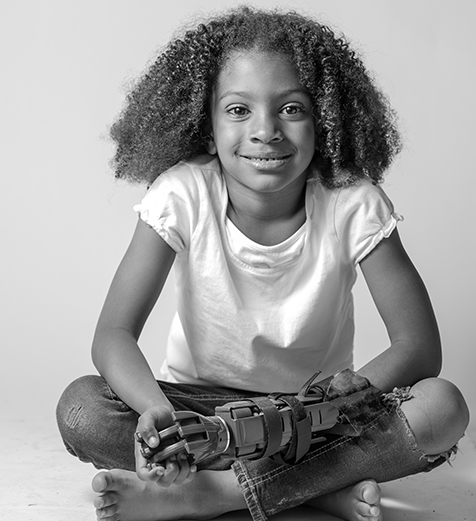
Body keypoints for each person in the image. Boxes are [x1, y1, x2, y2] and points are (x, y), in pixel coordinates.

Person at [56, 6, 470, 521]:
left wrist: (312, 410)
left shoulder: (353, 203)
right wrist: (153, 412)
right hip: (198, 410)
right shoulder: (182, 193)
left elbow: (419, 349)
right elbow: (113, 333)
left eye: (292, 108)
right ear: (206, 126)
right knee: (81, 407)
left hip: (319, 412)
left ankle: (215, 493)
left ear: (325, 119)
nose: (265, 130)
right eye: (238, 110)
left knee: (442, 407)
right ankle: (311, 485)